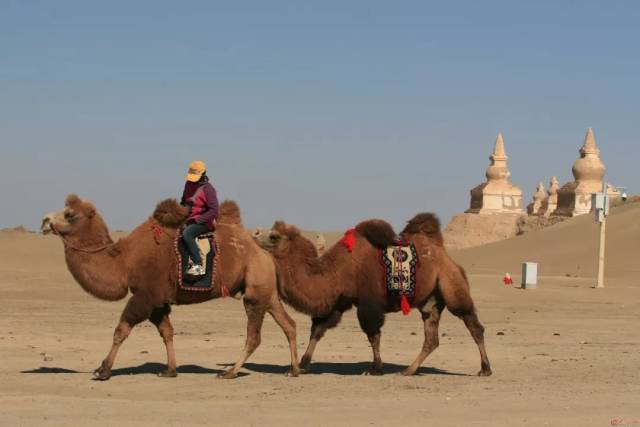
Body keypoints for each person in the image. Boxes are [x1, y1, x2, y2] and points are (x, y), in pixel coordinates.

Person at [180, 160, 219, 276]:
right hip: (188, 220)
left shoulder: (208, 189)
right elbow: (183, 202)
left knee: (187, 234)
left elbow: (214, 210)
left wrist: (196, 220)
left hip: (203, 223)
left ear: (203, 174)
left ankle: (198, 264)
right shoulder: (188, 184)